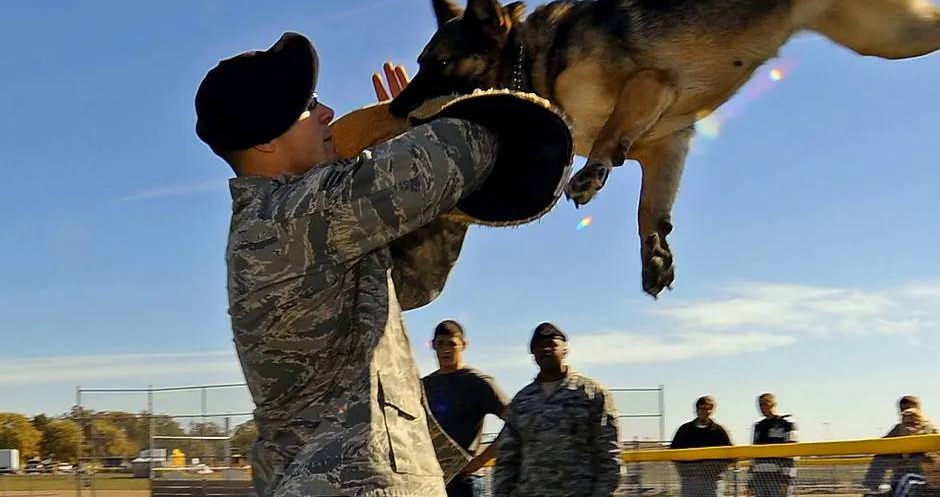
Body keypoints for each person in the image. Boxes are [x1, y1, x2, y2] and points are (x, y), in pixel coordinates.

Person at [199, 36, 500, 497]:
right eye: (308, 106)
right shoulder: (294, 215)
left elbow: (415, 284)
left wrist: (409, 143)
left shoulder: (304, 220)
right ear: (264, 140)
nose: (327, 113)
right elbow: (467, 147)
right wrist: (434, 110)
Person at [492, 323, 622, 497]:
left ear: (565, 350)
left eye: (552, 345)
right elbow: (506, 458)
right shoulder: (522, 401)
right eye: (539, 346)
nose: (545, 349)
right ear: (532, 353)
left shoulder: (591, 393)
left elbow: (610, 454)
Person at [422, 320, 509, 497]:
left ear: (463, 346)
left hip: (464, 480)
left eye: (452, 344)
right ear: (432, 345)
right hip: (431, 478)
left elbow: (515, 422)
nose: (446, 349)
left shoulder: (478, 382)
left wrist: (480, 460)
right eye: (440, 343)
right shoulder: (424, 386)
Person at [863, 398, 940, 493]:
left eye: (908, 408)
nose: (905, 411)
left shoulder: (928, 427)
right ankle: (871, 487)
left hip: (924, 472)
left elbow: (935, 455)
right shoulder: (899, 428)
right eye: (902, 409)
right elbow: (882, 445)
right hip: (901, 472)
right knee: (882, 455)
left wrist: (914, 433)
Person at [669, 396, 733, 497]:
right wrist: (684, 472)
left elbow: (731, 455)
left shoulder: (718, 431)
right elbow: (672, 454)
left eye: (709, 409)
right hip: (690, 481)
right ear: (697, 410)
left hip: (713, 481)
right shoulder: (685, 430)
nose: (706, 411)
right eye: (703, 408)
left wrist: (716, 470)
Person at [749, 393, 797, 497]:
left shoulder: (786, 424)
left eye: (765, 404)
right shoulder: (758, 426)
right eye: (760, 405)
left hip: (778, 478)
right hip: (759, 478)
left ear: (773, 404)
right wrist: (751, 481)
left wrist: (786, 479)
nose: (762, 407)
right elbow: (753, 453)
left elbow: (792, 453)